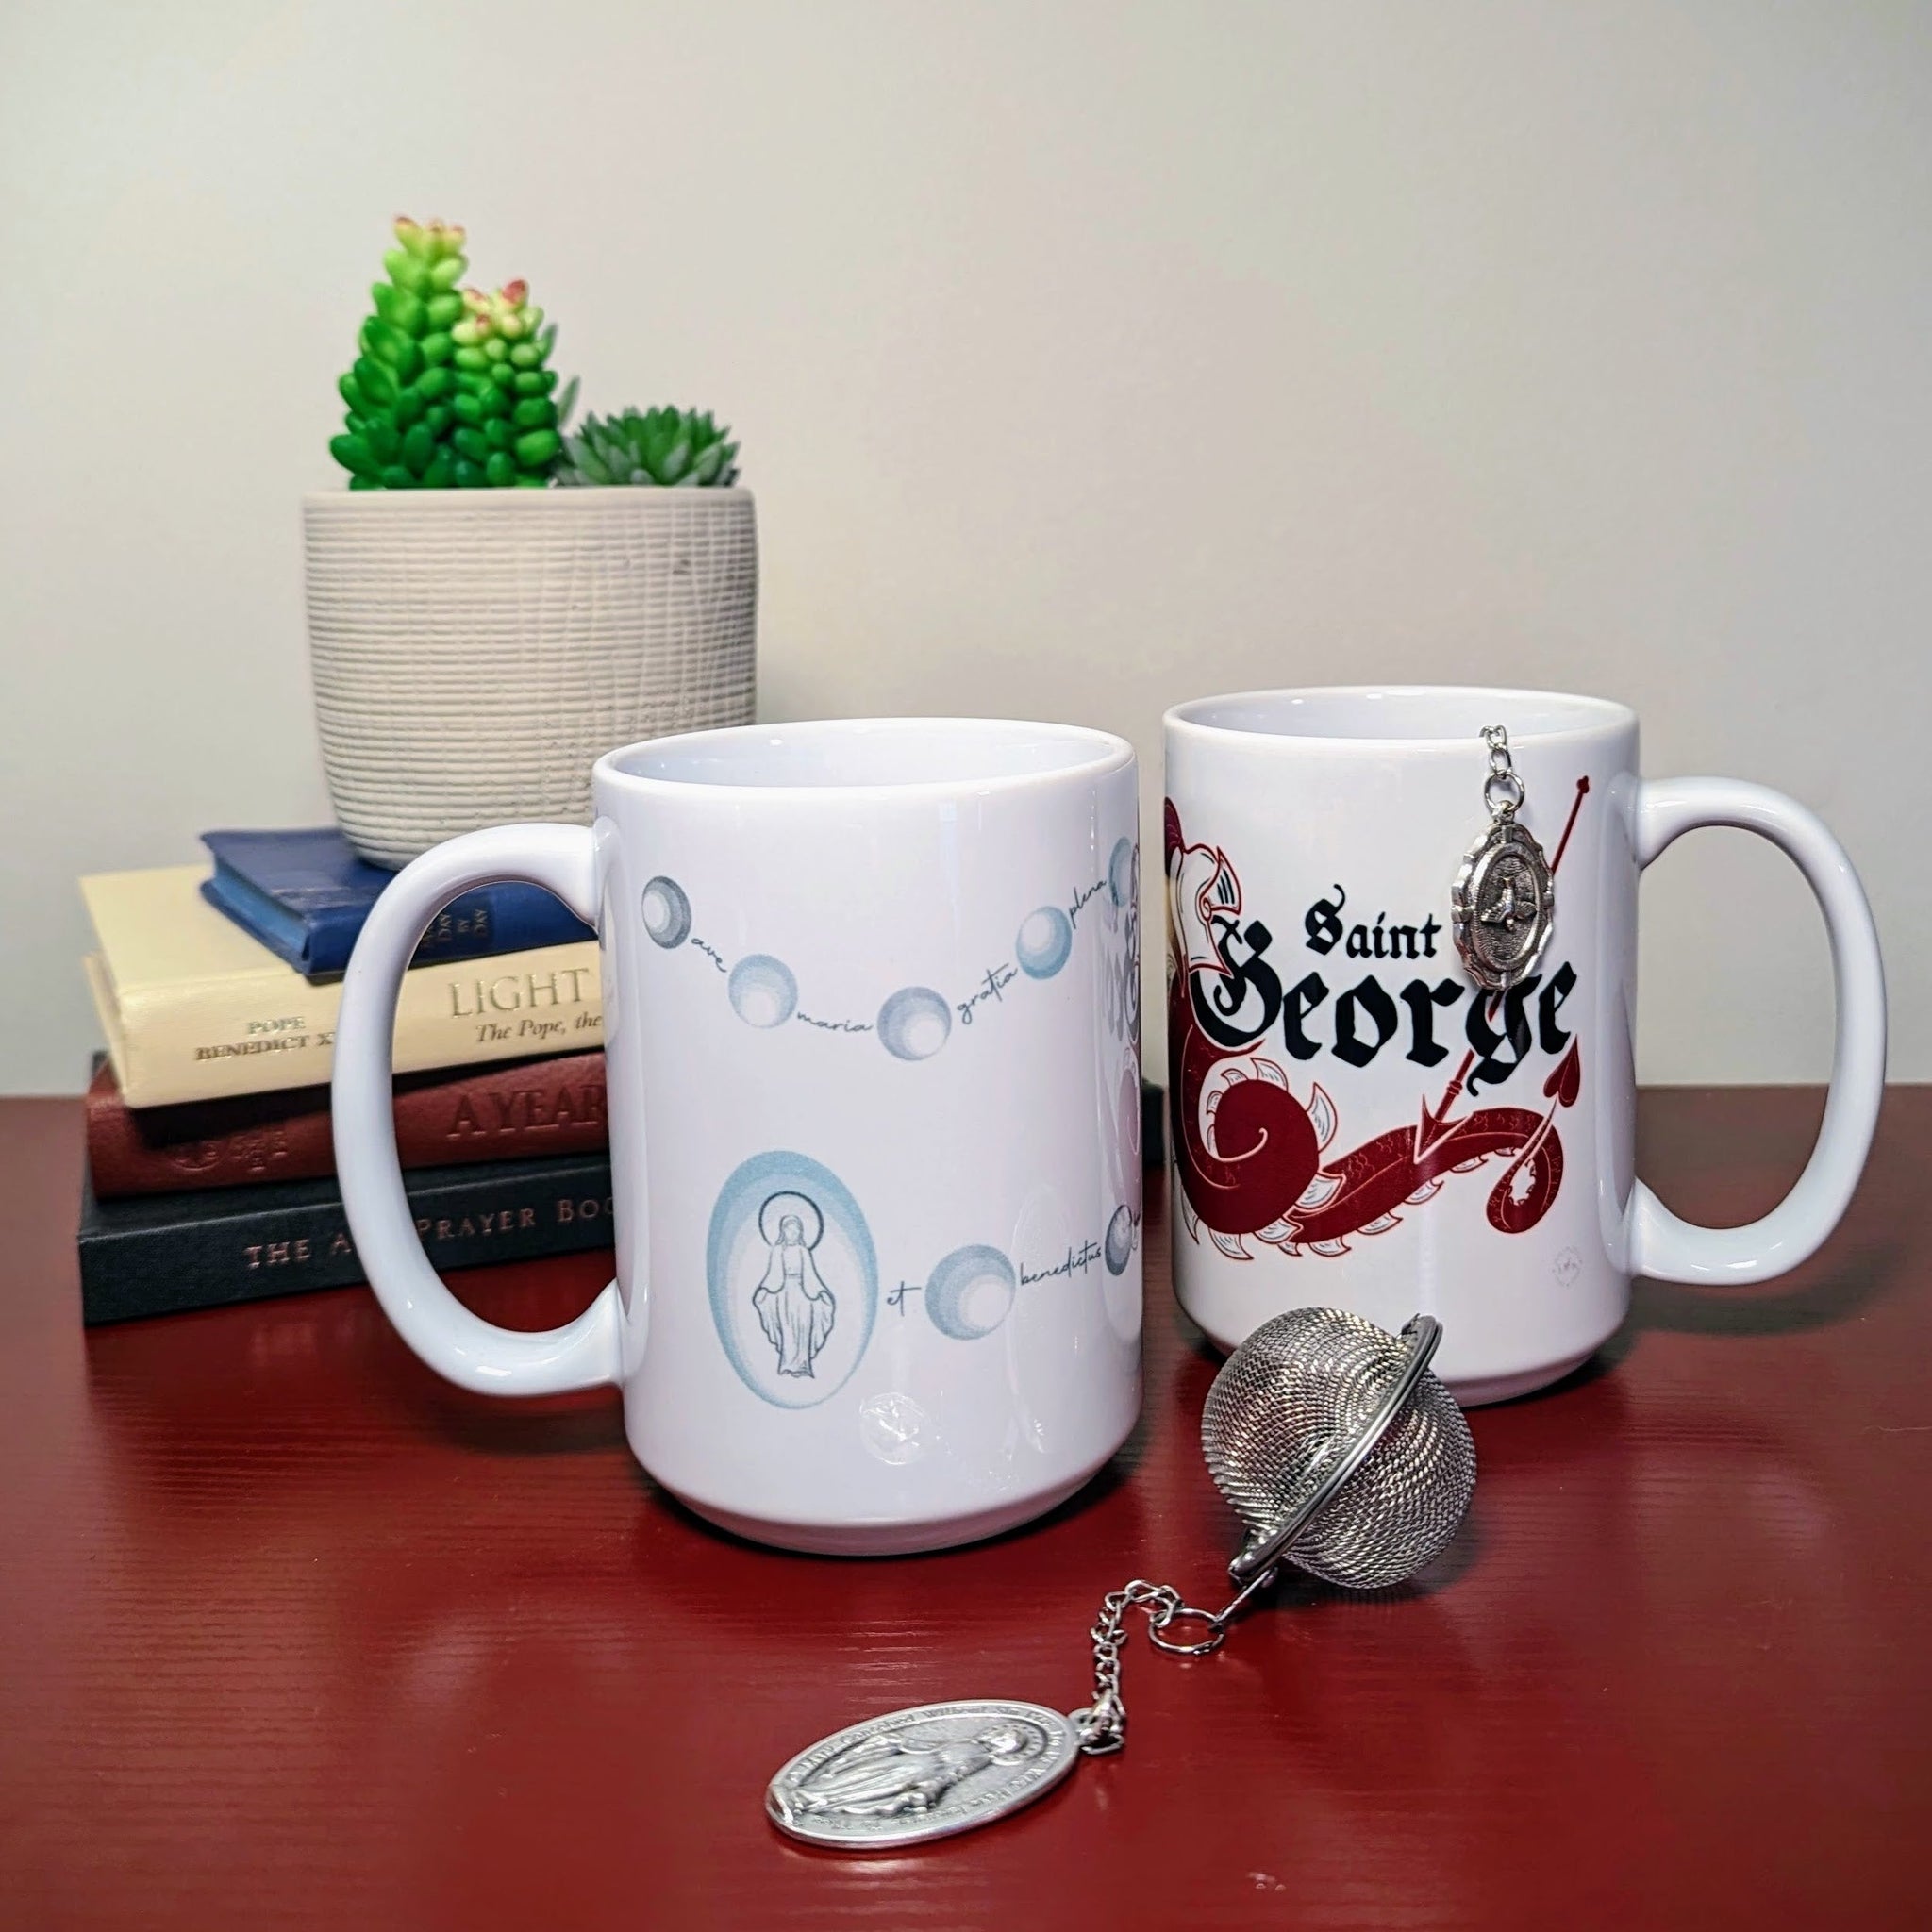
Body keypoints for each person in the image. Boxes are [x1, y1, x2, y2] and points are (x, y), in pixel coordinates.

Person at [753, 1210, 836, 1377]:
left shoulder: (803, 1251)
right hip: (784, 1295)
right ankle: (788, 1364)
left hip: (803, 1294)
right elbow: (773, 1276)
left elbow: (811, 1276)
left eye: (796, 1230)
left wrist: (821, 1292)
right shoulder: (778, 1251)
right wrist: (764, 1290)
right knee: (788, 1330)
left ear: (800, 1232)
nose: (793, 1233)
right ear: (783, 1231)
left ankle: (803, 1365)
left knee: (803, 1328)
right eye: (789, 1230)